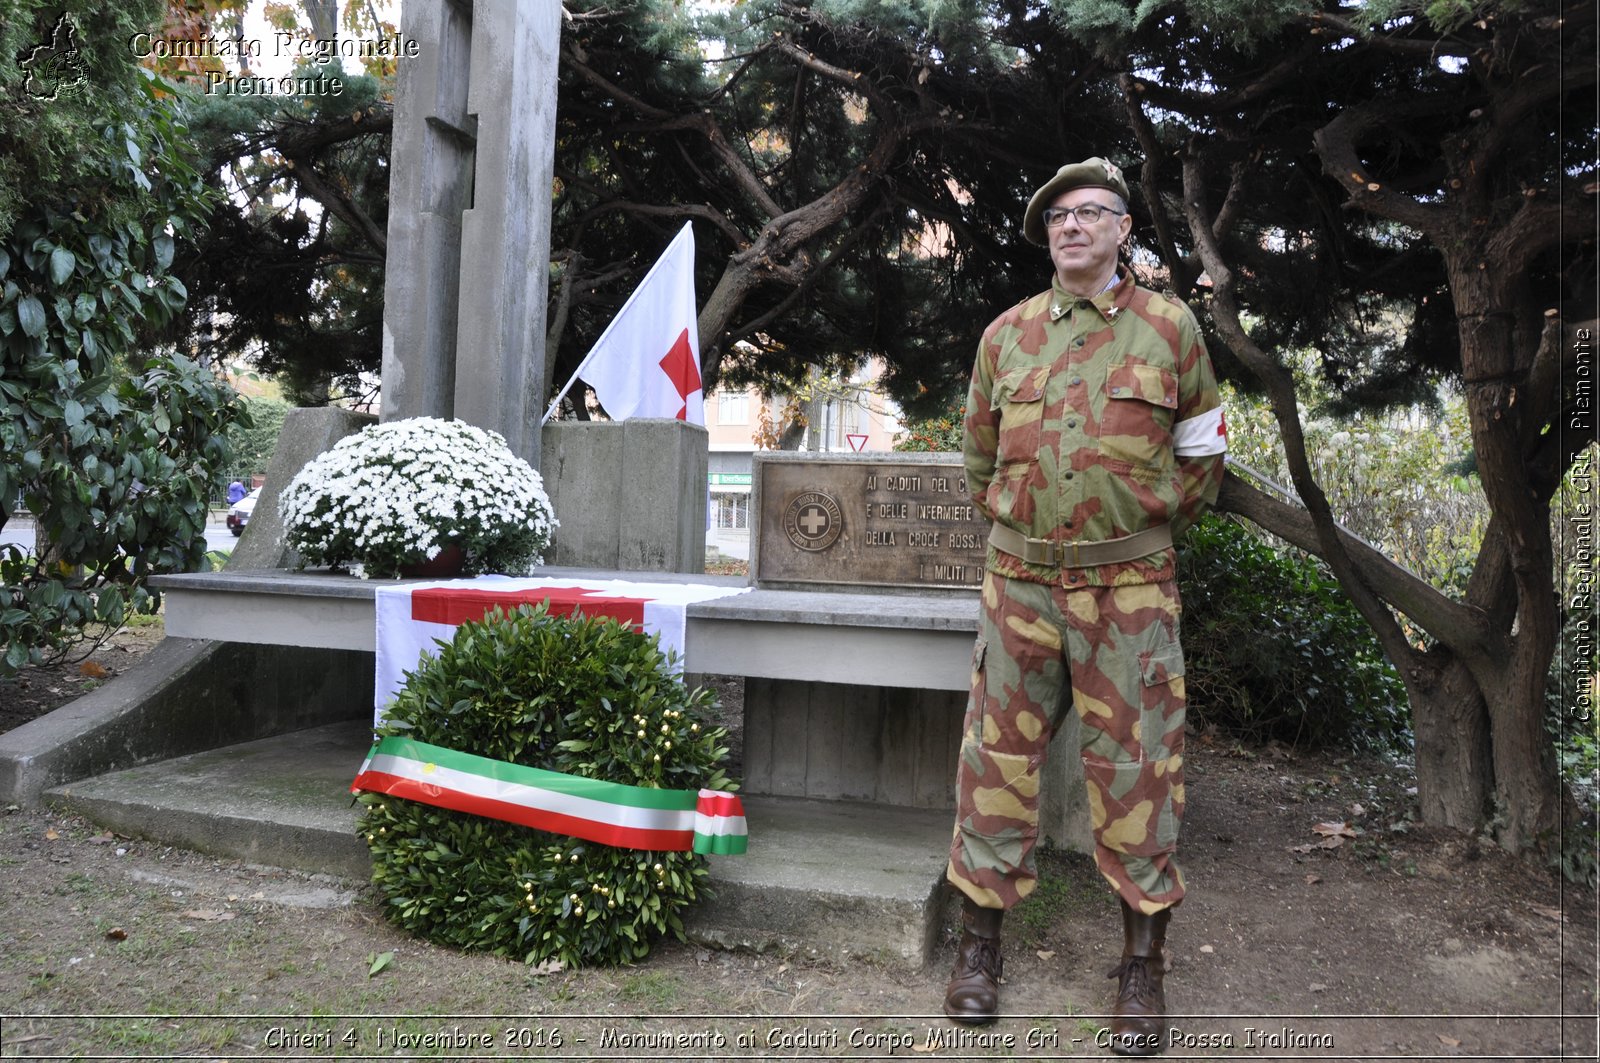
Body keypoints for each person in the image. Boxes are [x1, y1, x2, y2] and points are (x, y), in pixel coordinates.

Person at [942, 157, 1227, 1056]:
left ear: (1122, 230)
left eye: (1090, 212)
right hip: (1019, 586)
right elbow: (980, 458)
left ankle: (1142, 968)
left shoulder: (1170, 331)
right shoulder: (1007, 336)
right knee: (995, 764)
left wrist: (1133, 528)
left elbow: (1201, 455)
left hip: (1129, 594)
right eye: (1058, 216)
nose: (1071, 225)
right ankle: (978, 948)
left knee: (1139, 773)